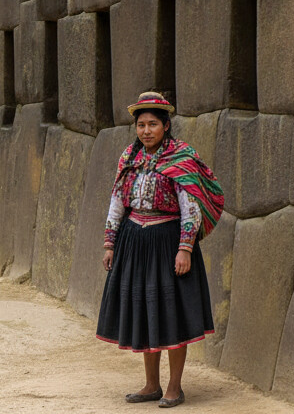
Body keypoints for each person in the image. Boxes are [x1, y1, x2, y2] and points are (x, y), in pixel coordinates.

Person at [95, 91, 225, 408]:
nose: (146, 131)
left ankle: (174, 387)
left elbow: (190, 208)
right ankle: (151, 384)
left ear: (166, 126)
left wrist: (185, 250)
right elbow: (117, 203)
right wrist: (110, 243)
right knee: (145, 312)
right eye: (141, 125)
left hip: (169, 243)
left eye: (153, 124)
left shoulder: (181, 158)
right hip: (134, 243)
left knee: (172, 315)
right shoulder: (129, 159)